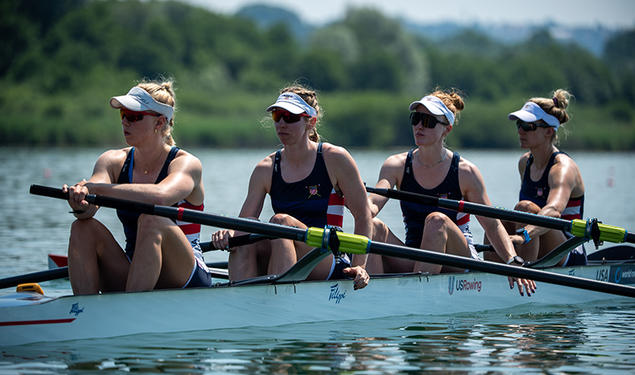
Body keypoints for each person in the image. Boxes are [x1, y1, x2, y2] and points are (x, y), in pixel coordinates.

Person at [366, 89, 536, 296]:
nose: (419, 126)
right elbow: (374, 202)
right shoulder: (396, 165)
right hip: (416, 257)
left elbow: (491, 224)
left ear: (447, 129)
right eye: (416, 118)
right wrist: (359, 203)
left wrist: (512, 259)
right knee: (372, 225)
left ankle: (417, 295)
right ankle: (370, 295)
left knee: (437, 220)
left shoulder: (465, 172)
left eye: (428, 121)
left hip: (457, 259)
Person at [211, 85, 372, 290]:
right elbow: (245, 225)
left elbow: (363, 216)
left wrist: (359, 267)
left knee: (281, 221)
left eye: (291, 117)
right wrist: (228, 236)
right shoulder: (265, 169)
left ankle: (279, 301)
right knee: (245, 234)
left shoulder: (335, 158)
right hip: (284, 247)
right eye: (277, 116)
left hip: (327, 255)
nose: (282, 124)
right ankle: (242, 301)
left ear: (310, 122)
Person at [64, 80, 211, 295]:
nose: (125, 122)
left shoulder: (186, 163)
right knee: (82, 227)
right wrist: (80, 201)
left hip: (184, 274)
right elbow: (90, 207)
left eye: (134, 116)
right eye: (123, 114)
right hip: (136, 270)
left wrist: (95, 189)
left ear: (159, 123)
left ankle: (129, 310)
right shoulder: (113, 161)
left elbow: (161, 197)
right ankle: (84, 312)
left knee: (151, 219)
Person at [489, 89, 586, 266]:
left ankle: (525, 275)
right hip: (537, 240)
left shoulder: (562, 168)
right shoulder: (524, 163)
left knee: (525, 208)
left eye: (528, 126)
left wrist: (525, 234)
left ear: (549, 131)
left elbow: (554, 211)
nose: (520, 130)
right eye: (519, 124)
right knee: (495, 220)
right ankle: (493, 277)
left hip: (568, 250)